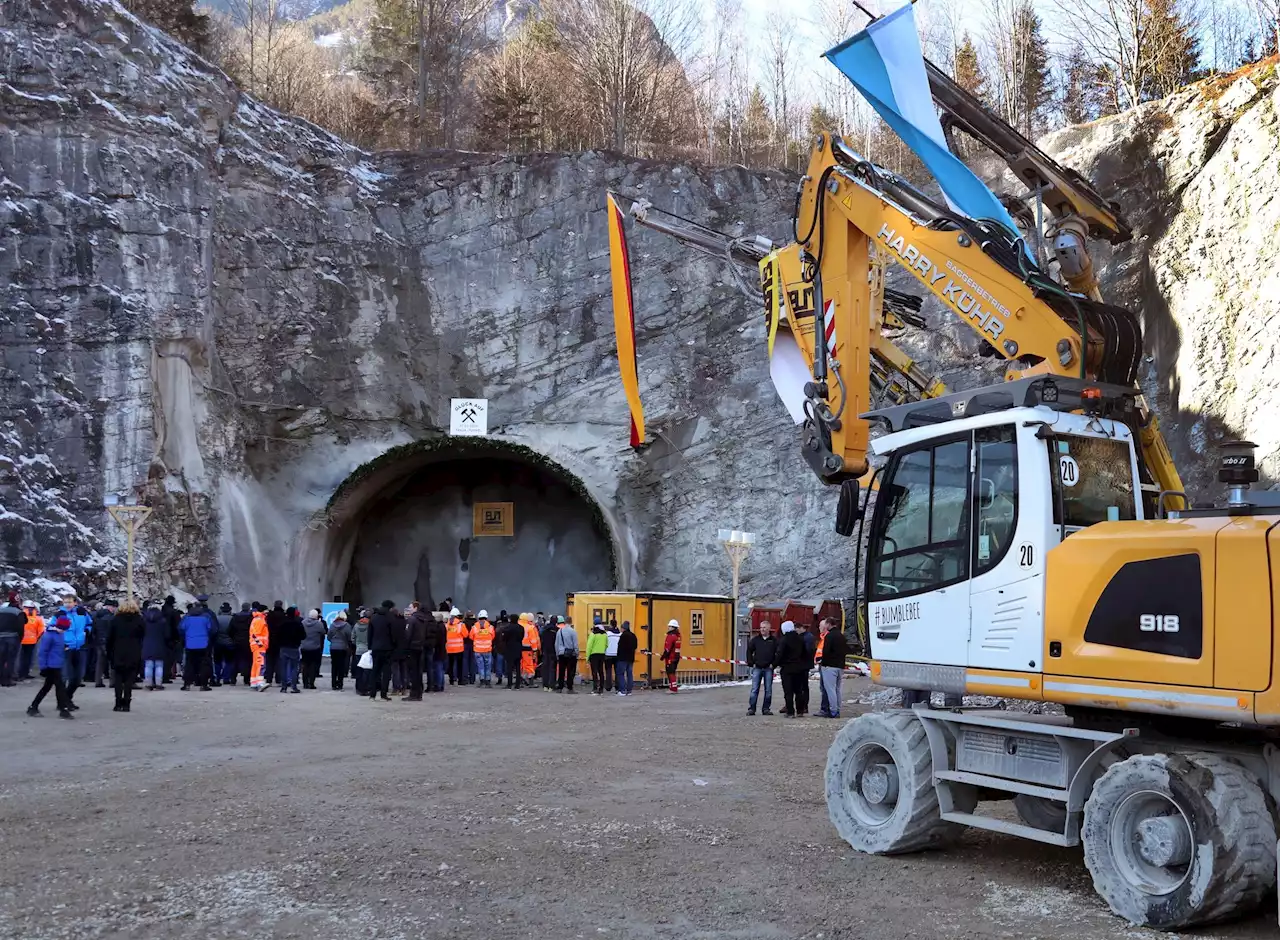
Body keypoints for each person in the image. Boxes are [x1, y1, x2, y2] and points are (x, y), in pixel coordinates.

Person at [27, 614, 73, 718]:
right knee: (60, 687)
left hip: (56, 664)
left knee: (47, 687)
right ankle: (63, 710)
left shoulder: (59, 634)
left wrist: (64, 647)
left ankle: (33, 706)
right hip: (51, 666)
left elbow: (56, 647)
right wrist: (43, 667)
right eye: (63, 629)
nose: (64, 631)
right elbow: (43, 652)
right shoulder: (49, 635)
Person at [107, 600, 145, 712]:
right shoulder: (139, 620)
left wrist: (109, 652)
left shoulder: (115, 620)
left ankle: (118, 702)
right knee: (129, 679)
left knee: (118, 678)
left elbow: (110, 638)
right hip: (134, 651)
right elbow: (143, 635)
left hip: (118, 651)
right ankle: (127, 702)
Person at [59, 594, 91, 709]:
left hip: (80, 647)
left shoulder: (82, 613)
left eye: (69, 602)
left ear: (75, 603)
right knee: (66, 675)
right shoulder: (60, 614)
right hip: (66, 647)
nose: (67, 604)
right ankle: (63, 702)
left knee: (78, 677)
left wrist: (87, 632)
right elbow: (51, 627)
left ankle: (67, 698)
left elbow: (90, 623)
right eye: (65, 602)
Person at [179, 595, 216, 691]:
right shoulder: (206, 617)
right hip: (203, 644)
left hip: (190, 644)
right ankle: (203, 685)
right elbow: (212, 629)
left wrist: (186, 637)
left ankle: (187, 684)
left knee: (189, 664)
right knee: (204, 664)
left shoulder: (187, 617)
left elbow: (181, 629)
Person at [776, 620, 808, 718]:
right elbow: (805, 653)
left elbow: (780, 654)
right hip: (799, 668)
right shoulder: (800, 639)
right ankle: (800, 711)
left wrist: (774, 664)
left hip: (787, 668)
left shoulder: (784, 640)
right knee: (798, 691)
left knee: (788, 691)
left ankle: (790, 711)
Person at [818, 617, 848, 719]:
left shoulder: (829, 636)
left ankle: (833, 711)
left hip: (829, 666)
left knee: (830, 689)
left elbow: (826, 651)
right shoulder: (841, 636)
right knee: (837, 689)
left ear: (828, 624)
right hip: (840, 666)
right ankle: (838, 710)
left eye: (825, 624)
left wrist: (822, 662)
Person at [746, 619, 778, 716]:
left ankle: (766, 709)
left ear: (769, 628)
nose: (762, 629)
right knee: (754, 689)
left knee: (768, 690)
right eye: (761, 628)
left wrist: (774, 664)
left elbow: (779, 653)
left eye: (764, 627)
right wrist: (751, 663)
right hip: (757, 668)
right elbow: (749, 651)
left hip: (768, 668)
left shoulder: (774, 641)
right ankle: (752, 708)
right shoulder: (755, 640)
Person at [367, 601, 397, 701]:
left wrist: (370, 646)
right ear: (390, 607)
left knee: (374, 671)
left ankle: (372, 694)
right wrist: (394, 645)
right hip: (387, 648)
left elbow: (369, 634)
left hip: (375, 647)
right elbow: (393, 634)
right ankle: (383, 694)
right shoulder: (391, 618)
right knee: (386, 672)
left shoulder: (374, 617)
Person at [141, 600, 171, 690]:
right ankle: (158, 683)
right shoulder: (163, 621)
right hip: (160, 645)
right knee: (159, 665)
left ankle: (148, 683)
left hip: (147, 645)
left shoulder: (144, 620)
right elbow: (167, 635)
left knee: (148, 665)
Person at [275, 606, 305, 693]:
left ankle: (284, 687)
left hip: (284, 647)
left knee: (283, 668)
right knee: (294, 668)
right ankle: (294, 686)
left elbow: (277, 635)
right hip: (294, 647)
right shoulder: (298, 623)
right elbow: (303, 636)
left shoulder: (282, 623)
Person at [403, 602, 428, 701]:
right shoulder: (424, 620)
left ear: (415, 608)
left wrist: (406, 647)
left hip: (412, 647)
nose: (409, 609)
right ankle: (419, 693)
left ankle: (413, 694)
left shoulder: (412, 619)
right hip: (420, 647)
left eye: (410, 607)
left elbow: (408, 634)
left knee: (413, 671)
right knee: (419, 671)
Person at [299, 608, 327, 689]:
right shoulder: (319, 624)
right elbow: (323, 632)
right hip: (315, 647)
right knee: (313, 666)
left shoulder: (303, 622)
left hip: (304, 647)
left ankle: (305, 683)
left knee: (305, 665)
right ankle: (311, 683)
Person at [91, 600, 116, 688]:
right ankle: (112, 682)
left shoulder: (96, 616)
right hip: (109, 642)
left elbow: (93, 630)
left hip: (99, 641)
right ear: (111, 607)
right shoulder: (112, 617)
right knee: (112, 661)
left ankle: (98, 681)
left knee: (100, 662)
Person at [228, 603, 252, 686]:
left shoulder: (235, 617)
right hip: (248, 642)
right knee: (248, 660)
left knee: (235, 661)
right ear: (249, 608)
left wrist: (234, 638)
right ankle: (247, 679)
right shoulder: (251, 618)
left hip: (236, 641)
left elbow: (230, 630)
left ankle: (233, 679)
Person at [0, 596, 22, 687]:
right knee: (10, 660)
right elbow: (21, 628)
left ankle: (1, 678)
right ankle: (7, 680)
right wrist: (20, 638)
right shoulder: (18, 613)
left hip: (1, 637)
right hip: (12, 637)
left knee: (1, 659)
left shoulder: (1, 611)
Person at [328, 610, 353, 691]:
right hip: (343, 647)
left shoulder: (332, 625)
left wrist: (333, 641)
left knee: (334, 666)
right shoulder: (347, 626)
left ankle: (333, 684)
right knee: (341, 666)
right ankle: (340, 683)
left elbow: (329, 636)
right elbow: (350, 637)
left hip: (333, 648)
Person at [212, 603, 236, 687]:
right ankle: (226, 678)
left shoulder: (216, 619)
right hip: (230, 643)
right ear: (230, 610)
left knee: (217, 661)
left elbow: (213, 630)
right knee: (229, 661)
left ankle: (217, 677)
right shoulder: (233, 618)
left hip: (218, 643)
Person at [18, 601, 44, 680]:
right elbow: (41, 630)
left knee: (19, 658)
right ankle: (25, 673)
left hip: (20, 640)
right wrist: (36, 638)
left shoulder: (19, 616)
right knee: (28, 658)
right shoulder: (37, 618)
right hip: (32, 641)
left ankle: (19, 673)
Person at [499, 614, 524, 689]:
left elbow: (504, 638)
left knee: (509, 667)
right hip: (518, 648)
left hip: (509, 649)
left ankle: (509, 684)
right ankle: (517, 685)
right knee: (518, 667)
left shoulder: (507, 628)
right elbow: (521, 637)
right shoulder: (521, 628)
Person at [555, 616, 579, 693]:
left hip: (561, 653)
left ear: (565, 622)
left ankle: (560, 687)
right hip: (571, 654)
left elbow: (556, 644)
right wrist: (577, 653)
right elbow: (575, 644)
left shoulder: (559, 631)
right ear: (571, 622)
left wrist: (557, 654)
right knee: (570, 671)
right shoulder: (573, 631)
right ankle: (570, 688)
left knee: (561, 671)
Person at [264, 600, 286, 686]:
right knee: (279, 661)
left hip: (269, 640)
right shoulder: (284, 616)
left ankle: (268, 678)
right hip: (280, 641)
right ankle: (278, 679)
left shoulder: (269, 615)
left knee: (269, 661)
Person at [471, 610, 495, 687]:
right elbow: (493, 637)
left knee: (480, 666)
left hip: (478, 650)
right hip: (487, 650)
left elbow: (471, 637)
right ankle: (487, 681)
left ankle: (482, 681)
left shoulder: (474, 627)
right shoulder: (490, 627)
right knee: (488, 666)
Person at [160, 595, 181, 683]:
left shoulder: (162, 611)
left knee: (163, 657)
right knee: (170, 658)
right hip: (172, 638)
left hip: (162, 637)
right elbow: (177, 626)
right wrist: (178, 638)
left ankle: (163, 675)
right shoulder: (173, 612)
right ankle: (166, 675)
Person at [423, 609, 445, 693]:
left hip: (437, 649)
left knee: (437, 667)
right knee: (440, 668)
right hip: (443, 649)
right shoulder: (443, 626)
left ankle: (438, 685)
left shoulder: (438, 627)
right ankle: (440, 685)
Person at [445, 608, 467, 685]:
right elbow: (466, 635)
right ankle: (460, 680)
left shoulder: (447, 624)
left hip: (449, 648)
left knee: (450, 665)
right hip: (459, 649)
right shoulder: (460, 625)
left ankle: (451, 680)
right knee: (459, 665)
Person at [249, 606, 269, 690]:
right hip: (259, 646)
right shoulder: (260, 620)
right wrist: (261, 644)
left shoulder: (256, 619)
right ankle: (260, 683)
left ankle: (254, 682)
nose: (267, 614)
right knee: (261, 664)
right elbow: (255, 634)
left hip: (255, 646)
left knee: (256, 664)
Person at [351, 609, 370, 694]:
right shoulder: (370, 625)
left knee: (359, 669)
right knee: (367, 670)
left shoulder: (356, 625)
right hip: (367, 650)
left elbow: (352, 638)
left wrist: (357, 644)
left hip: (358, 650)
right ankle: (365, 688)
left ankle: (358, 688)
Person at [616, 620, 637, 696]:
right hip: (630, 658)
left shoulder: (623, 636)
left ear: (623, 628)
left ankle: (622, 690)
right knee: (629, 674)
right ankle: (629, 690)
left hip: (622, 658)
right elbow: (635, 646)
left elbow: (620, 647)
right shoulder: (633, 636)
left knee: (620, 673)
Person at [586, 620, 608, 694]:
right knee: (601, 671)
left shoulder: (593, 634)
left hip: (594, 655)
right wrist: (603, 650)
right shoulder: (605, 634)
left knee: (594, 672)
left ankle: (595, 688)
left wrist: (587, 657)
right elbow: (606, 645)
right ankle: (601, 688)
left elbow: (589, 646)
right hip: (602, 654)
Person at [660, 619, 682, 693]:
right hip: (676, 657)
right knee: (673, 672)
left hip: (670, 658)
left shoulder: (670, 636)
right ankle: (673, 687)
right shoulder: (678, 636)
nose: (668, 628)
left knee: (670, 672)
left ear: (673, 627)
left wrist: (663, 656)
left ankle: (673, 689)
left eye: (669, 626)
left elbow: (668, 648)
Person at [539, 616, 559, 690]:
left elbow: (541, 640)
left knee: (545, 668)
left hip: (545, 651)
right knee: (552, 669)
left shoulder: (544, 629)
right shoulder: (557, 630)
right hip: (553, 651)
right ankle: (551, 686)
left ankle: (545, 686)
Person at [520, 613, 540, 684]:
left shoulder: (519, 626)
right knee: (529, 664)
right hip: (528, 649)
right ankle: (531, 681)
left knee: (522, 665)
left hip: (519, 649)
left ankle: (522, 679)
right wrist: (535, 650)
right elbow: (534, 640)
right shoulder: (530, 627)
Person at [603, 621, 621, 693]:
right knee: (617, 671)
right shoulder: (620, 634)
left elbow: (605, 644)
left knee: (608, 671)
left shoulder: (607, 634)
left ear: (610, 625)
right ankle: (617, 686)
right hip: (617, 655)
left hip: (608, 655)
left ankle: (608, 686)